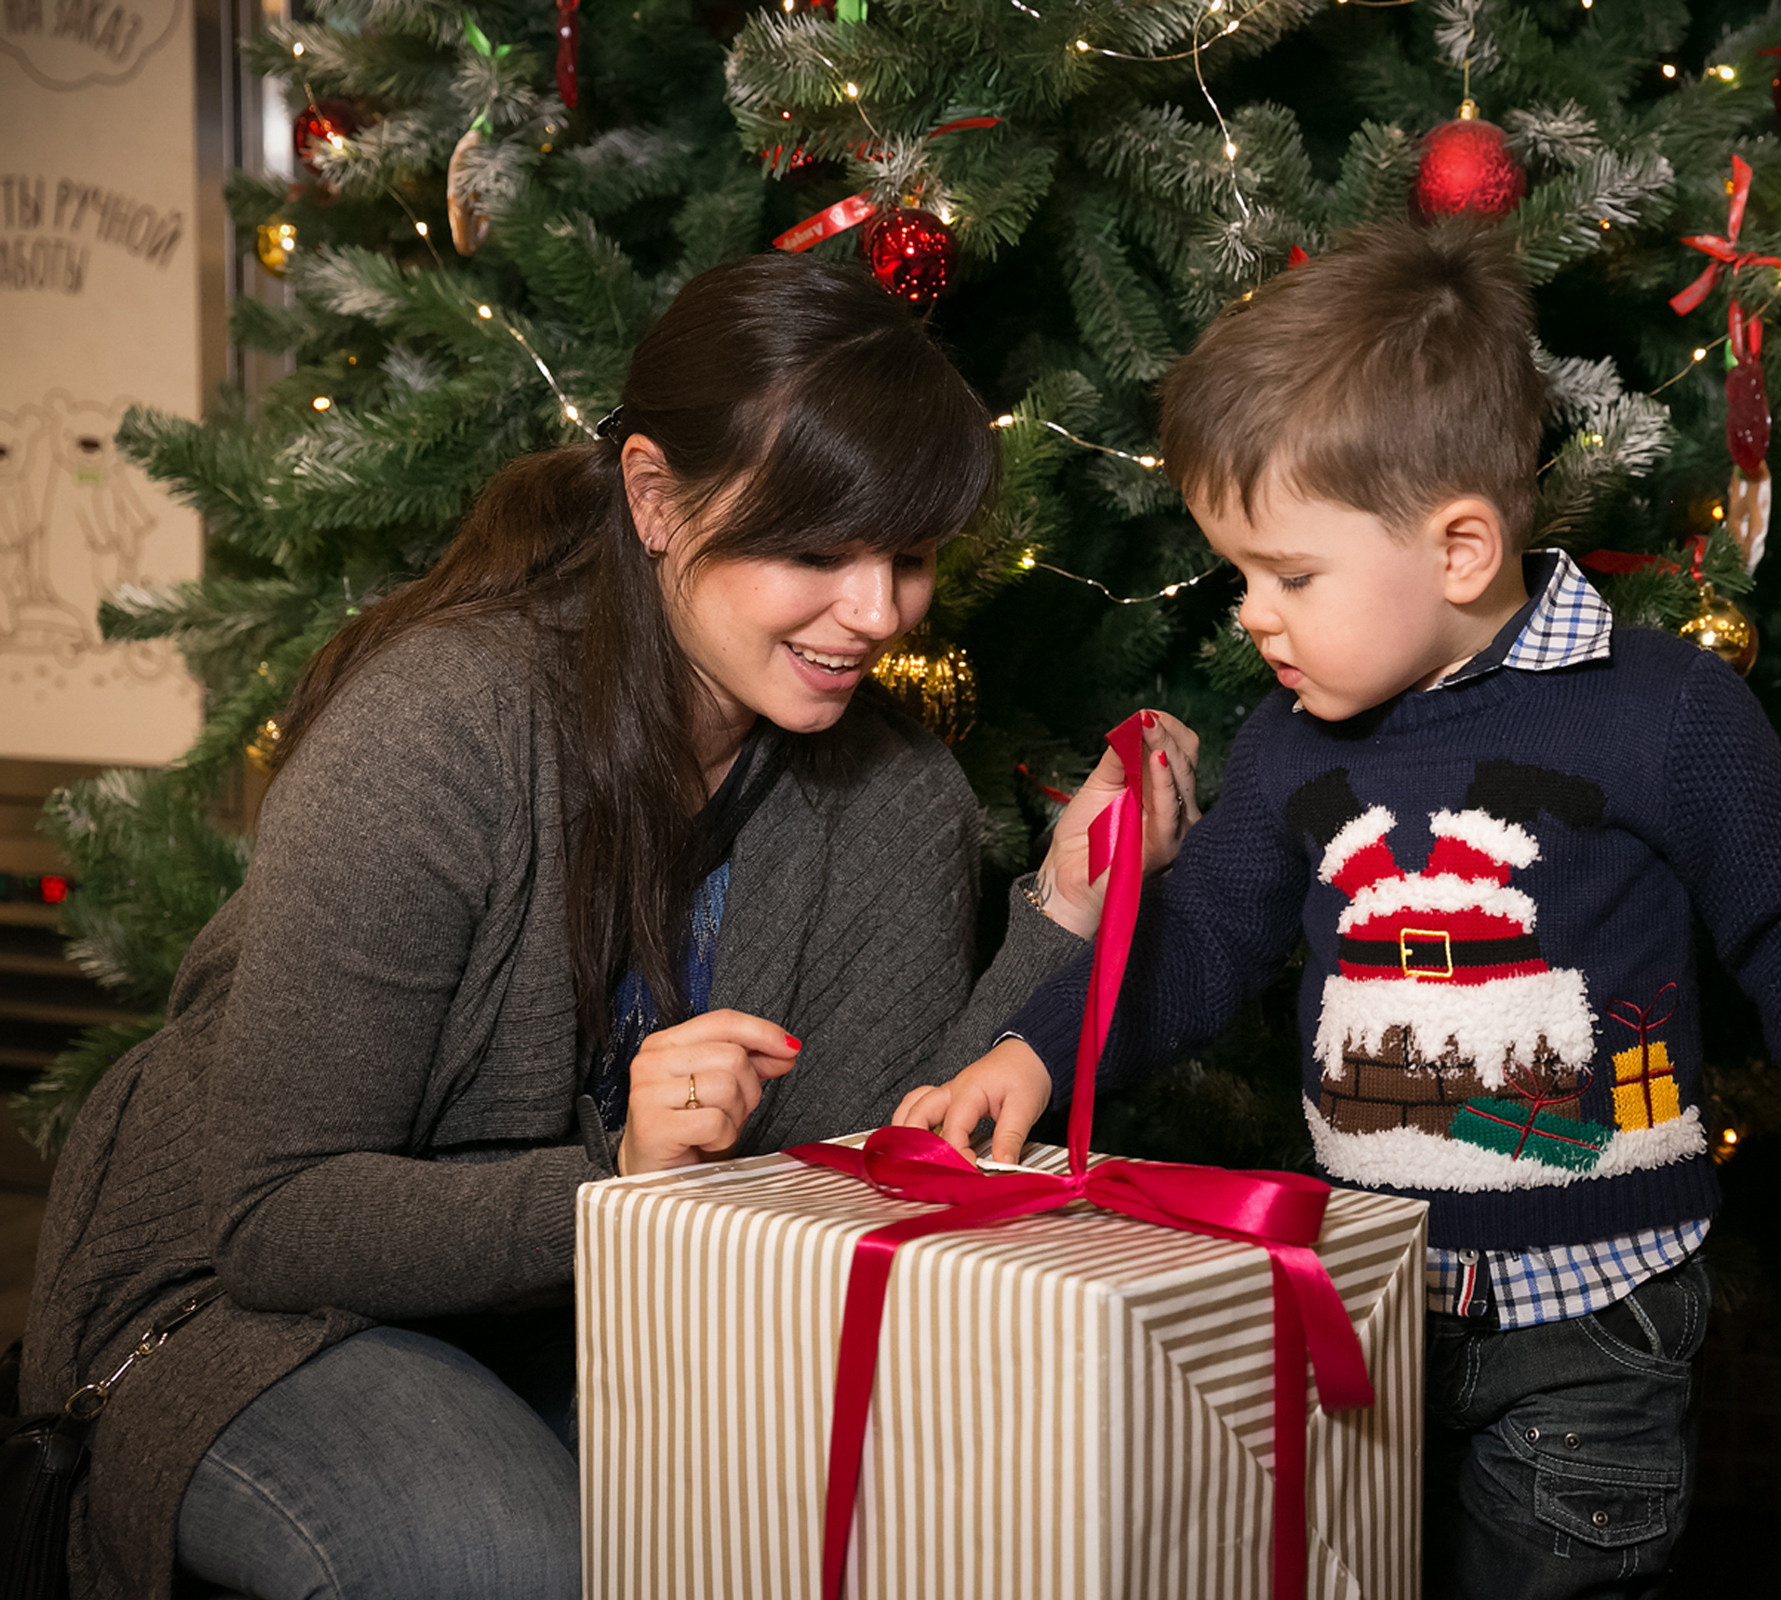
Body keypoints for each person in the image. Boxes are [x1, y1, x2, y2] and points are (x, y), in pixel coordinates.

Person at [21, 251, 1200, 1600]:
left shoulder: (896, 798)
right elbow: (279, 1220)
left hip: (610, 1312)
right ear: (655, 497)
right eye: (815, 550)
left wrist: (1067, 909)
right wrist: (620, 1178)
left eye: (912, 557)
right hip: (248, 1310)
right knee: (517, 1561)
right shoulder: (439, 729)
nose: (877, 614)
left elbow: (862, 1183)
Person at [895, 222, 1781, 1599]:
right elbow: (1198, 936)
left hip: (1595, 1318)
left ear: (1459, 549)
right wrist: (1036, 1049)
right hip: (1367, 1302)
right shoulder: (1291, 743)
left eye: (1290, 576)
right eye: (1241, 576)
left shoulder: (1667, 712)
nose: (1253, 616)